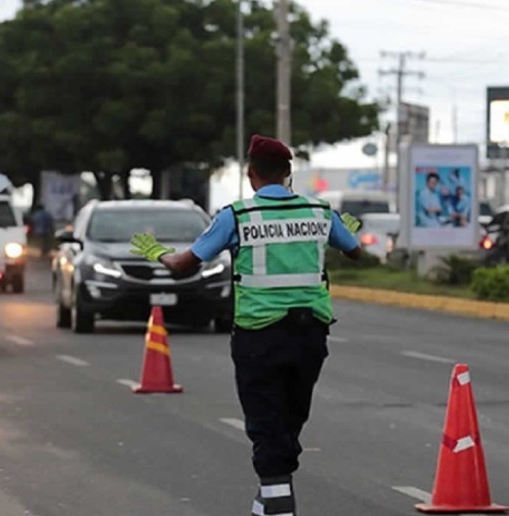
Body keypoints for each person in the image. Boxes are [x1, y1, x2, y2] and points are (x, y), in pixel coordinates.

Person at [129, 135, 362, 516]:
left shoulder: (237, 216)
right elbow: (353, 251)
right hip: (310, 335)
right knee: (289, 419)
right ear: (288, 173)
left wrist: (158, 253)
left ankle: (278, 504)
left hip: (259, 337)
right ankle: (267, 503)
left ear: (251, 174)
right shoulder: (320, 211)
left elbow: (186, 264)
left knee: (267, 423)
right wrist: (339, 229)